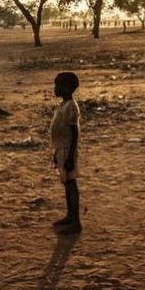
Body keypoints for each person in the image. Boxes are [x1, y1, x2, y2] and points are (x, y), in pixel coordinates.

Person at [50, 71, 82, 234]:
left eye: (58, 85)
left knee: (71, 184)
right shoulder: (63, 105)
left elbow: (74, 132)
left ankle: (76, 221)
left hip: (67, 150)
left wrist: (69, 156)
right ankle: (70, 216)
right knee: (66, 184)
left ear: (68, 87)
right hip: (61, 149)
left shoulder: (70, 106)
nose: (55, 88)